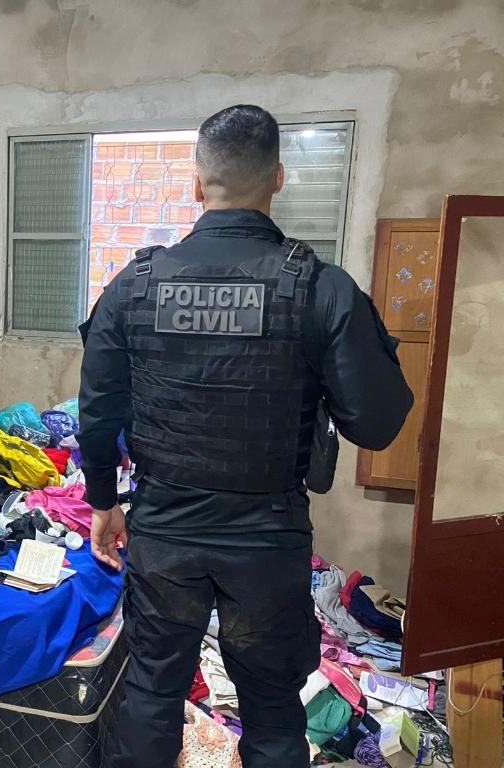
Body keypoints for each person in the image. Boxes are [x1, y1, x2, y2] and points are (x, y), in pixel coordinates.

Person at [77, 105, 413, 768]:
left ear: (196, 184)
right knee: (271, 707)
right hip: (266, 538)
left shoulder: (134, 287)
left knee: (151, 691)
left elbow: (97, 413)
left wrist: (102, 501)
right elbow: (375, 424)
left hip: (164, 530)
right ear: (278, 178)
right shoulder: (318, 288)